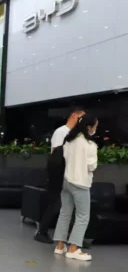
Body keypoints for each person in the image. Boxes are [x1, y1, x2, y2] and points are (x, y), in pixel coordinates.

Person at [34, 109, 84, 244]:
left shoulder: (76, 134)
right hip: (58, 173)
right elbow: (56, 153)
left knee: (66, 205)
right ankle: (41, 231)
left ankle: (70, 236)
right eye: (80, 118)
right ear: (74, 116)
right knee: (55, 203)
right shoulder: (61, 132)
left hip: (68, 173)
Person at [53, 114, 99, 261]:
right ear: (89, 127)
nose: (95, 130)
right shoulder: (90, 145)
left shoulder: (69, 141)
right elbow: (91, 166)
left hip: (66, 181)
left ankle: (60, 246)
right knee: (82, 216)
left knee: (65, 213)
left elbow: (65, 158)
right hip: (80, 183)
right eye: (95, 127)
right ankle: (73, 249)